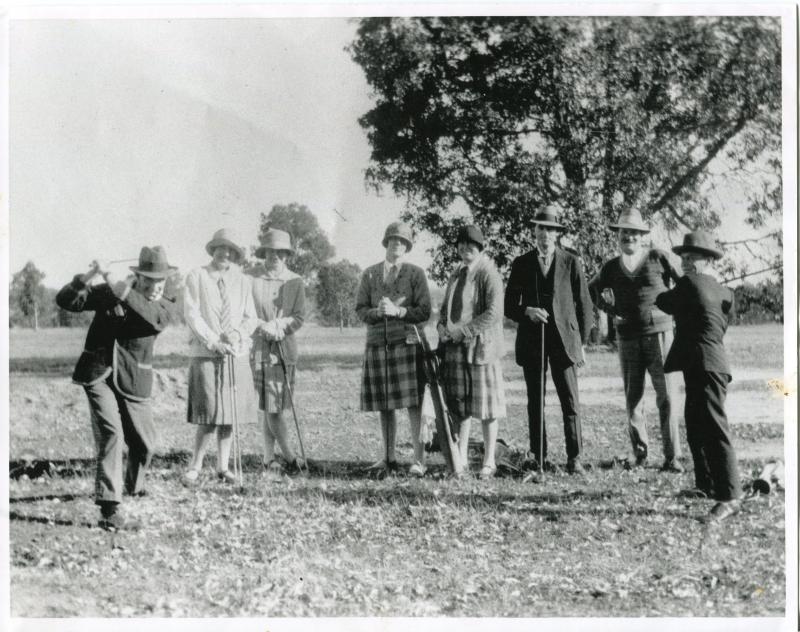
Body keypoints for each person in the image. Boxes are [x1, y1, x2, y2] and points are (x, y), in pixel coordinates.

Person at [56, 246, 176, 530]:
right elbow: (67, 301)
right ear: (138, 277)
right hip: (98, 373)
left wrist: (111, 278)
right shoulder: (112, 290)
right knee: (112, 433)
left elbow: (148, 316)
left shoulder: (166, 304)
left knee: (145, 444)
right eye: (150, 281)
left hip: (134, 379)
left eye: (161, 281)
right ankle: (110, 507)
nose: (156, 287)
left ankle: (134, 485)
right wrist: (89, 276)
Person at [655, 231, 741, 521]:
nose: (687, 263)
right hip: (705, 365)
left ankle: (730, 496)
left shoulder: (689, 283)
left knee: (715, 428)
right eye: (684, 259)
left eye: (693, 259)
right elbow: (722, 314)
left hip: (707, 365)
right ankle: (705, 484)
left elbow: (663, 301)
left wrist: (673, 280)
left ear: (707, 261)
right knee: (694, 423)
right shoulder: (723, 291)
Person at [588, 209, 683, 472]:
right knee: (634, 397)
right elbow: (591, 289)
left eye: (633, 232)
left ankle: (672, 457)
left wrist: (672, 310)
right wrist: (609, 310)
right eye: (623, 233)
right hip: (628, 337)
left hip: (660, 336)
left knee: (667, 397)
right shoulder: (610, 267)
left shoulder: (658, 257)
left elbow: (684, 284)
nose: (628, 237)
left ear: (643, 236)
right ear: (618, 237)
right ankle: (640, 454)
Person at [504, 208, 593, 474]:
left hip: (564, 342)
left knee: (570, 400)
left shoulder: (571, 262)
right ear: (534, 231)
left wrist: (582, 343)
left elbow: (585, 305)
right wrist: (527, 311)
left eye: (550, 229)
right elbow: (509, 306)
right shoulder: (521, 263)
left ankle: (574, 458)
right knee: (535, 400)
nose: (545, 234)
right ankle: (539, 456)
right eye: (540, 228)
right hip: (532, 342)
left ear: (557, 233)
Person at [355, 221, 432, 477]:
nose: (397, 244)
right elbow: (360, 310)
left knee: (414, 404)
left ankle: (418, 460)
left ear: (407, 246)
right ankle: (388, 457)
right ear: (385, 243)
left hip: (407, 344)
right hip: (378, 344)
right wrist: (377, 312)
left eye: (402, 241)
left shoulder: (416, 273)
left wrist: (399, 311)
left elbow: (424, 311)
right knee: (384, 404)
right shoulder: (369, 274)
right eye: (393, 240)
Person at [182, 228, 258, 485]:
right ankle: (195, 465)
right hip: (206, 351)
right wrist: (213, 341)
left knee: (229, 412)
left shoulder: (243, 280)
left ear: (235, 254)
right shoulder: (197, 276)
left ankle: (223, 467)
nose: (224, 253)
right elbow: (192, 314)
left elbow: (251, 317)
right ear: (212, 250)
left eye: (230, 249)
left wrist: (237, 334)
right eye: (220, 247)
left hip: (235, 353)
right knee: (210, 413)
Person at [437, 225, 506, 480]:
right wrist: (442, 328)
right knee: (459, 407)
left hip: (481, 349)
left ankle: (489, 461)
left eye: (472, 245)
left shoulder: (489, 273)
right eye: (462, 245)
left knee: (487, 408)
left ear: (481, 248)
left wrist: (465, 331)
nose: (466, 249)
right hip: (454, 349)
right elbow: (445, 309)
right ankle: (461, 459)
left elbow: (494, 313)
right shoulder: (456, 274)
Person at [250, 228, 306, 476]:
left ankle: (269, 457)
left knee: (275, 406)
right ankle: (288, 456)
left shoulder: (295, 280)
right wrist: (263, 326)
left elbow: (299, 316)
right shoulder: (250, 278)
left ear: (287, 255)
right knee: (269, 405)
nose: (275, 256)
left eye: (280, 252)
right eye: (270, 252)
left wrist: (279, 326)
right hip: (259, 348)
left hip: (284, 349)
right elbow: (245, 312)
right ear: (264, 253)